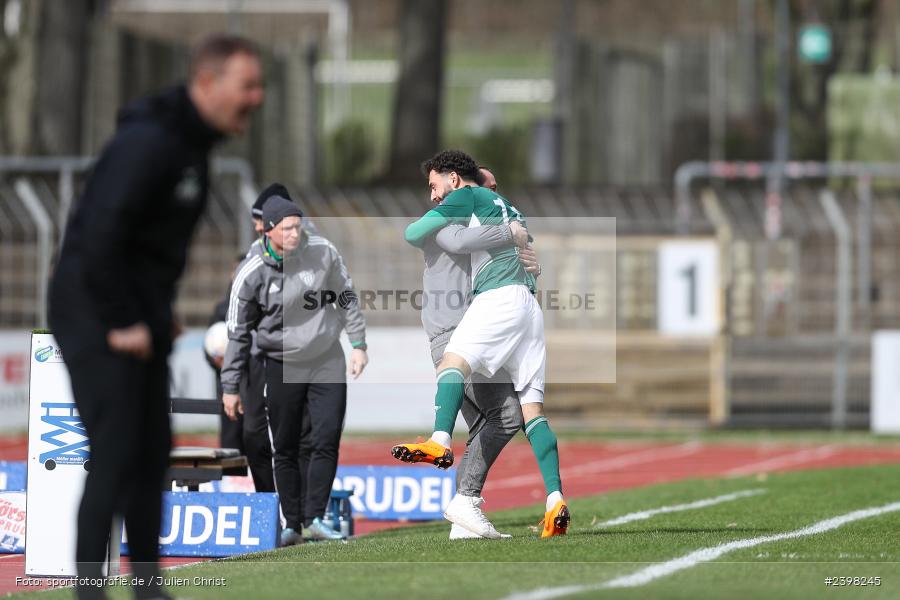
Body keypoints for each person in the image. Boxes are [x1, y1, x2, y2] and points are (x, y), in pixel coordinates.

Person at [48, 34, 264, 600]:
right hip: (93, 310)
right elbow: (100, 235)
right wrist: (122, 318)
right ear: (207, 83)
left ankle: (147, 588)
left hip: (136, 312)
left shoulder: (192, 146)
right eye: (247, 85)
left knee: (149, 452)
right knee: (117, 451)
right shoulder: (149, 141)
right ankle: (89, 592)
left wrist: (158, 311)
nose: (257, 97)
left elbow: (151, 246)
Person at [392, 150, 569, 538]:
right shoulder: (462, 218)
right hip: (464, 327)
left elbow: (509, 254)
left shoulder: (477, 207)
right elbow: (449, 239)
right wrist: (511, 237)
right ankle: (483, 499)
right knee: (511, 414)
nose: (492, 193)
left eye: (493, 187)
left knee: (495, 419)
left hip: (490, 319)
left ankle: (462, 504)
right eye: (487, 186)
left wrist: (528, 261)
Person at [220, 196, 368, 545]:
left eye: (298, 227)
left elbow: (346, 296)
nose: (294, 234)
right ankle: (292, 523)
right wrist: (230, 386)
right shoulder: (251, 272)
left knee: (326, 437)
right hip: (282, 362)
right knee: (285, 445)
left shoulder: (323, 251)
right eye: (287, 228)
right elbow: (237, 334)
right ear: (268, 231)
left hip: (326, 357)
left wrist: (359, 344)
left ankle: (315, 518)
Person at [205, 253, 275, 493]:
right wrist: (218, 362)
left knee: (258, 431)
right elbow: (210, 345)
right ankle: (229, 486)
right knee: (231, 431)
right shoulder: (221, 308)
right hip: (230, 381)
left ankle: (260, 485)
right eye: (236, 270)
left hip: (256, 376)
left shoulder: (263, 304)